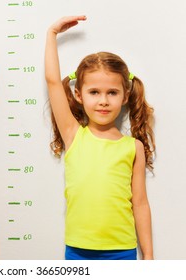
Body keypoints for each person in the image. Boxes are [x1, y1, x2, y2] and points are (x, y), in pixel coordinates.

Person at [45, 16, 155, 260]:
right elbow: (53, 82)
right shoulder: (73, 135)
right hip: (77, 250)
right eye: (94, 92)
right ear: (78, 95)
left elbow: (140, 203)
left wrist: (148, 256)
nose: (103, 100)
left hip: (122, 251)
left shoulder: (133, 147)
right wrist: (52, 33)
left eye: (112, 93)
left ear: (125, 96)